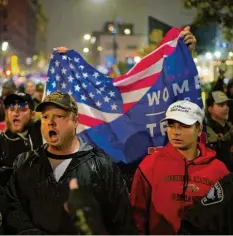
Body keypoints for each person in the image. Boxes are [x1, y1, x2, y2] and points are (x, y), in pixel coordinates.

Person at [4, 91, 136, 235]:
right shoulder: (25, 163)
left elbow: (122, 223)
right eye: (45, 117)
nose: (50, 122)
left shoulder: (102, 166)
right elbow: (13, 213)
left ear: (75, 122)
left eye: (58, 116)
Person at [130, 100, 229, 234]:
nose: (175, 132)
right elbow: (136, 216)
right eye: (171, 125)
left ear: (199, 129)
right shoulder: (150, 165)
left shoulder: (219, 171)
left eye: (184, 126)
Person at [0, 92, 42, 186]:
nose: (15, 113)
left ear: (32, 114)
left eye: (22, 108)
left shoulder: (42, 132)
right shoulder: (2, 143)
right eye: (11, 108)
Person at [205, 90, 233, 171]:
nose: (226, 107)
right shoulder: (206, 130)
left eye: (227, 104)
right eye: (221, 105)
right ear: (210, 109)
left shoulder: (229, 126)